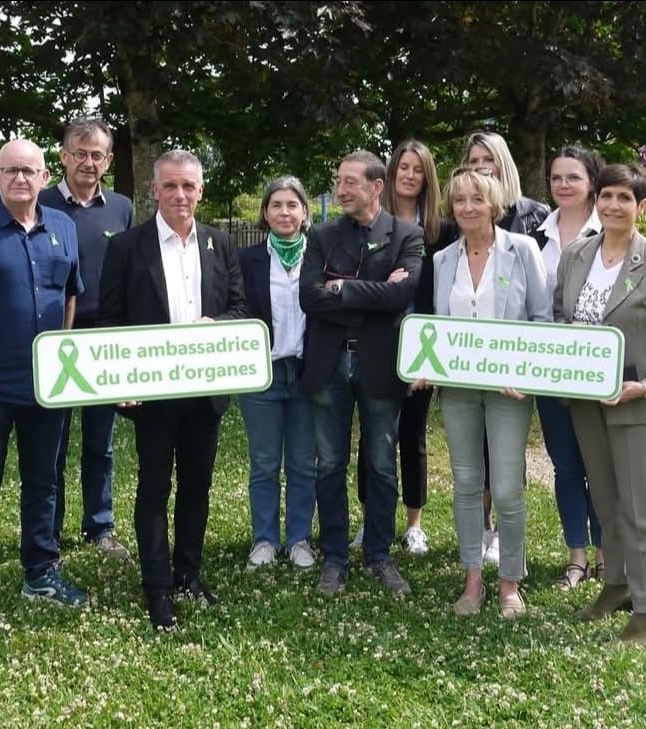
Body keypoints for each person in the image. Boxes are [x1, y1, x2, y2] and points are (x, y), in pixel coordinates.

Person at [98, 149, 246, 630]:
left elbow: (240, 308)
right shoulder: (127, 247)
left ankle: (188, 574)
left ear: (200, 191)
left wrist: (215, 323)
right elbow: (110, 319)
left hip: (205, 392)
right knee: (154, 487)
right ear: (154, 191)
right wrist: (122, 380)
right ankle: (158, 588)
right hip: (153, 394)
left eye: (188, 186)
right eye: (170, 186)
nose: (179, 195)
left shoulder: (220, 243)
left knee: (197, 485)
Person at [556, 163, 646, 644]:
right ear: (595, 200)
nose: (613, 205)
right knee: (606, 501)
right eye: (606, 196)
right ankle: (616, 585)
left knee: (642, 510)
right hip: (587, 402)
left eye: (624, 198)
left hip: (636, 404)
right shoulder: (576, 255)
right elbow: (561, 317)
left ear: (641, 206)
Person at [0, 139, 89, 628]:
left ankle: (41, 571)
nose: (20, 178)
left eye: (29, 171)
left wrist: (61, 355)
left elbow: (70, 294)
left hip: (47, 385)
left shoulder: (63, 227)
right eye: (10, 170)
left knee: (44, 480)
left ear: (44, 176)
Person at [425, 167, 550, 619]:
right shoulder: (443, 259)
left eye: (476, 199)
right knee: (465, 484)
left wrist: (528, 374)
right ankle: (472, 581)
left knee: (508, 487)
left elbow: (541, 319)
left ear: (494, 204)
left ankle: (510, 584)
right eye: (459, 200)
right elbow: (437, 327)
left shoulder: (522, 250)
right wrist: (426, 366)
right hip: (458, 390)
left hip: (508, 389)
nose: (467, 208)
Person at [298, 150, 424, 596]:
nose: (340, 189)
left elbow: (400, 297)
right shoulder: (321, 235)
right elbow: (309, 298)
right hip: (329, 363)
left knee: (382, 464)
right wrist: (374, 293)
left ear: (376, 186)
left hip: (379, 364)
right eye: (338, 181)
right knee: (329, 463)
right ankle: (334, 556)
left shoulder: (407, 236)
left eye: (350, 182)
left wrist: (342, 289)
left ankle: (379, 553)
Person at [352, 140, 455, 557]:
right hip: (377, 342)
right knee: (372, 436)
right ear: (390, 174)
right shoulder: (371, 225)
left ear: (428, 178)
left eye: (418, 169)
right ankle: (370, 519)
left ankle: (414, 524)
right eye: (404, 168)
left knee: (412, 435)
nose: (410, 176)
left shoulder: (442, 231)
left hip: (423, 346)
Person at [39, 117, 134, 561]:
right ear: (63, 156)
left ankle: (99, 526)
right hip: (55, 338)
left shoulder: (121, 208)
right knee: (52, 443)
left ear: (109, 161)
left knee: (101, 442)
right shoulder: (39, 202)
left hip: (104, 340)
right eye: (80, 153)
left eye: (97, 155)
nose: (88, 162)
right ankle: (49, 530)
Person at [460, 130, 552, 566]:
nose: (481, 167)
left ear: (503, 163)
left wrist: (528, 368)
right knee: (473, 456)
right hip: (468, 366)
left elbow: (539, 306)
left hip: (512, 365)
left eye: (488, 159)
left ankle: (502, 536)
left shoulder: (532, 219)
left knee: (507, 457)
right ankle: (479, 529)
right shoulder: (458, 225)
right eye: (473, 160)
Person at [532, 146, 605, 590]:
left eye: (573, 177)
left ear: (592, 182)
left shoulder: (609, 230)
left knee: (600, 464)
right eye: (556, 177)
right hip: (547, 366)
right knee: (566, 465)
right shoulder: (535, 236)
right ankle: (576, 556)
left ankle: (606, 553)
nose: (563, 184)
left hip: (593, 367)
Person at [237, 176, 317, 571]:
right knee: (265, 462)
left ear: (304, 212)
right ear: (265, 213)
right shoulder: (247, 260)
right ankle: (265, 540)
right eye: (276, 205)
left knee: (303, 462)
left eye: (292, 205)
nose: (284, 212)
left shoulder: (320, 257)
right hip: (262, 374)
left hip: (306, 373)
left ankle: (300, 539)